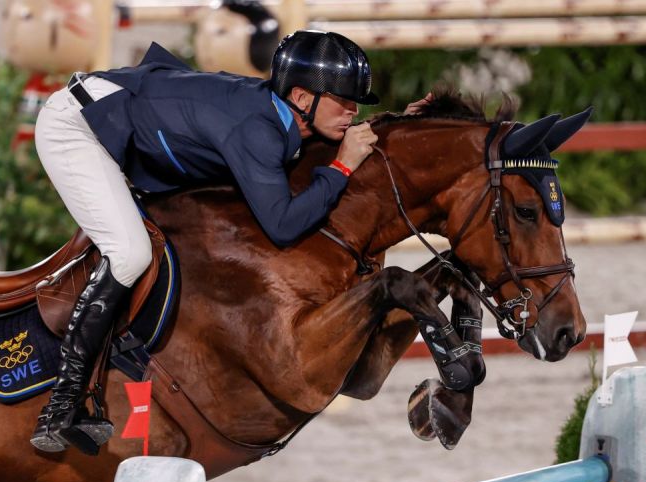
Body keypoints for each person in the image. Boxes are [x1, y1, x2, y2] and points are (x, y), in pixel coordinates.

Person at [30, 30, 386, 454]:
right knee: (130, 253)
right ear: (302, 98)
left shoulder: (280, 115)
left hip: (122, 114)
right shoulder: (256, 130)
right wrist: (343, 166)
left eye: (356, 103)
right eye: (343, 100)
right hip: (77, 127)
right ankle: (63, 405)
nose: (353, 110)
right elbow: (284, 226)